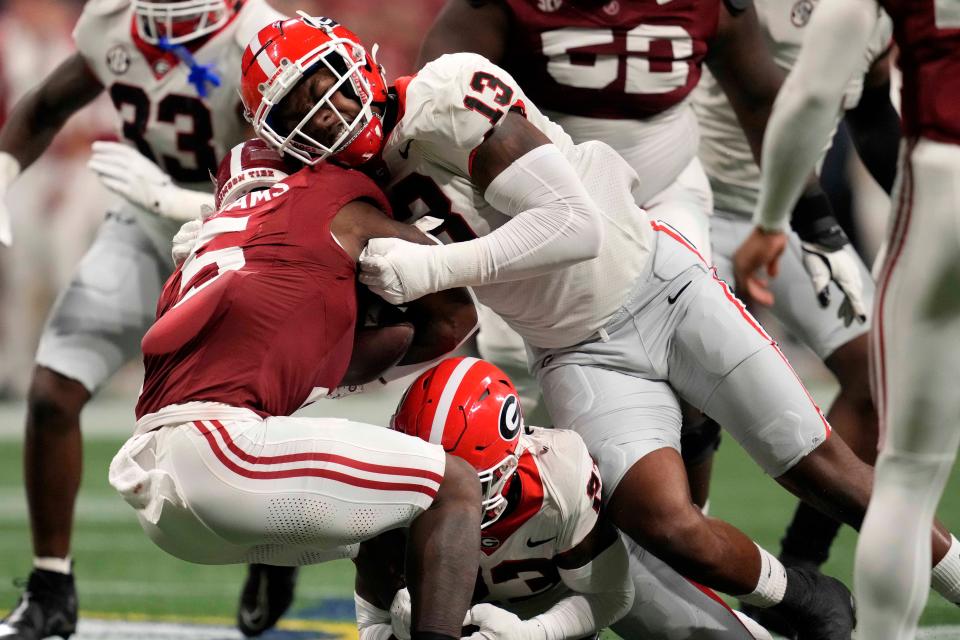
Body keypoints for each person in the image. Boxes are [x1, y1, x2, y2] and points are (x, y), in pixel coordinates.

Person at [240, 13, 960, 637]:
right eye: (300, 111)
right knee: (664, 524)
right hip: (574, 349)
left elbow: (572, 224)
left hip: (659, 286)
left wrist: (434, 266)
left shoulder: (444, 95)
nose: (326, 114)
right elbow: (428, 313)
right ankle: (806, 597)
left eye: (325, 85)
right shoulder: (356, 188)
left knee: (825, 472)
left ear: (355, 58)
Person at [414, 0, 881, 512]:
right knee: (514, 393)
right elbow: (437, 100)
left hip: (663, 192)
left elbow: (759, 97)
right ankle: (512, 543)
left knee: (694, 365)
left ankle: (689, 531)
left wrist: (816, 218)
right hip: (537, 206)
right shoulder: (501, 8)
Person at [108, 138, 483, 640]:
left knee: (389, 515)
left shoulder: (200, 254)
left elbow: (326, 353)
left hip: (162, 497)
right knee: (452, 487)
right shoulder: (319, 195)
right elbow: (453, 317)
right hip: (221, 455)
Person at [0, 0, 285, 636]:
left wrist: (177, 199)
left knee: (254, 418)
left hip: (246, 231)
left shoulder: (260, 36)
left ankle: (275, 548)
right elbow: (46, 106)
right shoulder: (114, 24)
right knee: (52, 391)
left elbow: (290, 184)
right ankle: (51, 587)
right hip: (145, 223)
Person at [733, 0, 960, 636]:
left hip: (937, 186)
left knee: (907, 473)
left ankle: (810, 574)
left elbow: (814, 99)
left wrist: (776, 220)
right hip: (698, 194)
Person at [356, 356, 771, 640]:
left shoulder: (559, 474)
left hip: (571, 595)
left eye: (468, 481)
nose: (441, 497)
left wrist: (529, 634)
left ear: (511, 460)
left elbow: (610, 595)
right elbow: (371, 619)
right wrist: (398, 624)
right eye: (430, 478)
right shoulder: (385, 484)